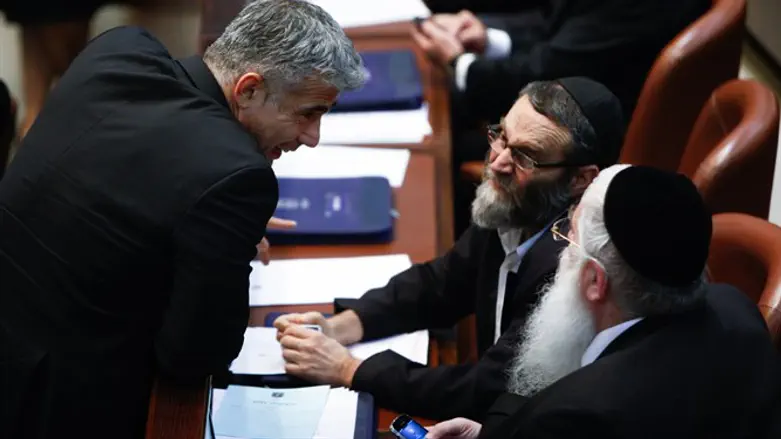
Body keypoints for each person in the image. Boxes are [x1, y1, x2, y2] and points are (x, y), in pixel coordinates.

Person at [0, 0, 365, 437]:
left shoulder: (117, 50)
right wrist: (228, 238)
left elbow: (119, 169)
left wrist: (203, 221)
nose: (312, 138)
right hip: (58, 405)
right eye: (308, 113)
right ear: (248, 89)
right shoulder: (235, 175)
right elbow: (195, 358)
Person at [273, 77, 625, 422]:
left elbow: (486, 390)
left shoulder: (572, 266)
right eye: (501, 136)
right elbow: (442, 284)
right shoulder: (519, 205)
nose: (497, 162)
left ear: (581, 179)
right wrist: (344, 326)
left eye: (526, 158)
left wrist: (349, 369)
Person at [426, 165, 781, 439]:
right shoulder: (737, 308)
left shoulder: (577, 414)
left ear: (595, 281)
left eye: (569, 234)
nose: (563, 248)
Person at [412, 0, 710, 236]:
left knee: (436, 152)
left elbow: (551, 73)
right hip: (566, 104)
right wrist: (489, 38)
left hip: (587, 145)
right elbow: (559, 25)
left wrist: (460, 62)